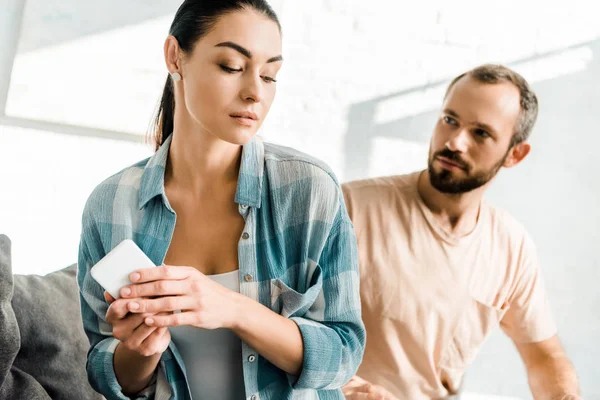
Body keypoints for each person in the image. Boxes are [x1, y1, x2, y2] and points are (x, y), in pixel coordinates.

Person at [77, 1, 365, 399]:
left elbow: (344, 355)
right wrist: (139, 350)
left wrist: (232, 309)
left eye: (270, 75)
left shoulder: (309, 189)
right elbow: (104, 372)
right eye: (231, 66)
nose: (254, 93)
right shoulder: (111, 206)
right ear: (175, 56)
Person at [341, 64, 580, 400]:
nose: (454, 142)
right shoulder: (349, 207)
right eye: (449, 120)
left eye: (480, 133)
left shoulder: (511, 245)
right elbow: (285, 323)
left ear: (515, 154)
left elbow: (544, 356)